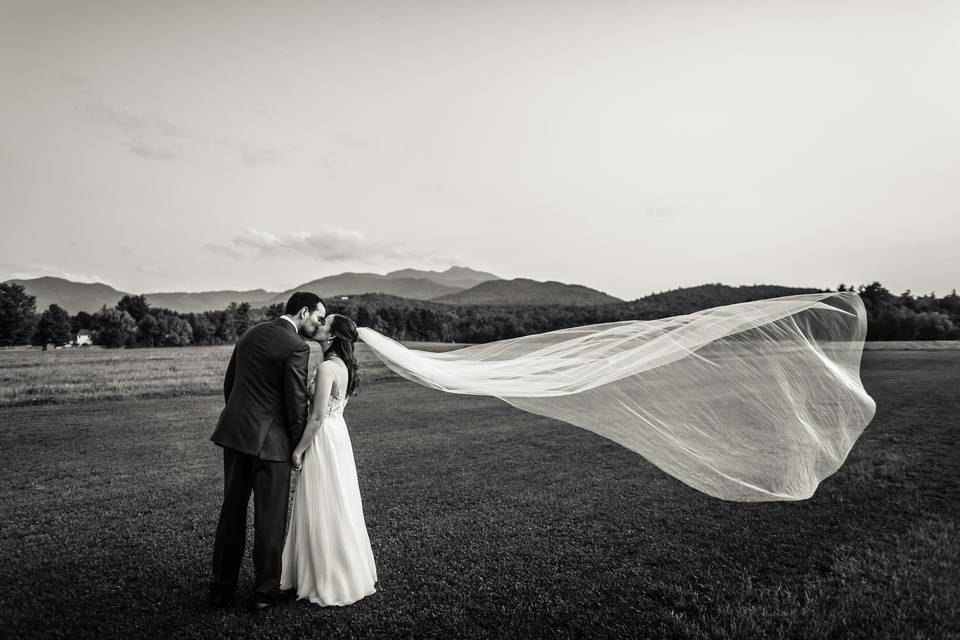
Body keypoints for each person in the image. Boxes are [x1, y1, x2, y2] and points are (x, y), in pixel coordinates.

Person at [208, 292, 325, 610]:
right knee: (269, 519)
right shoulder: (297, 346)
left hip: (235, 436)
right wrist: (299, 445)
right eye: (318, 317)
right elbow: (295, 402)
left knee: (231, 512)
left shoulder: (251, 333)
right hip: (272, 444)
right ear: (303, 312)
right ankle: (263, 592)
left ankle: (221, 587)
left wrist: (241, 420)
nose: (319, 324)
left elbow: (229, 384)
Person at [281, 313, 378, 606]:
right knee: (336, 502)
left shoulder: (326, 368)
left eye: (324, 324)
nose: (318, 326)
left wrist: (297, 450)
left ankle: (325, 577)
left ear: (333, 336)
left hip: (324, 437)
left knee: (322, 501)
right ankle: (334, 571)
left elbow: (318, 416)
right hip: (338, 436)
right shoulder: (342, 366)